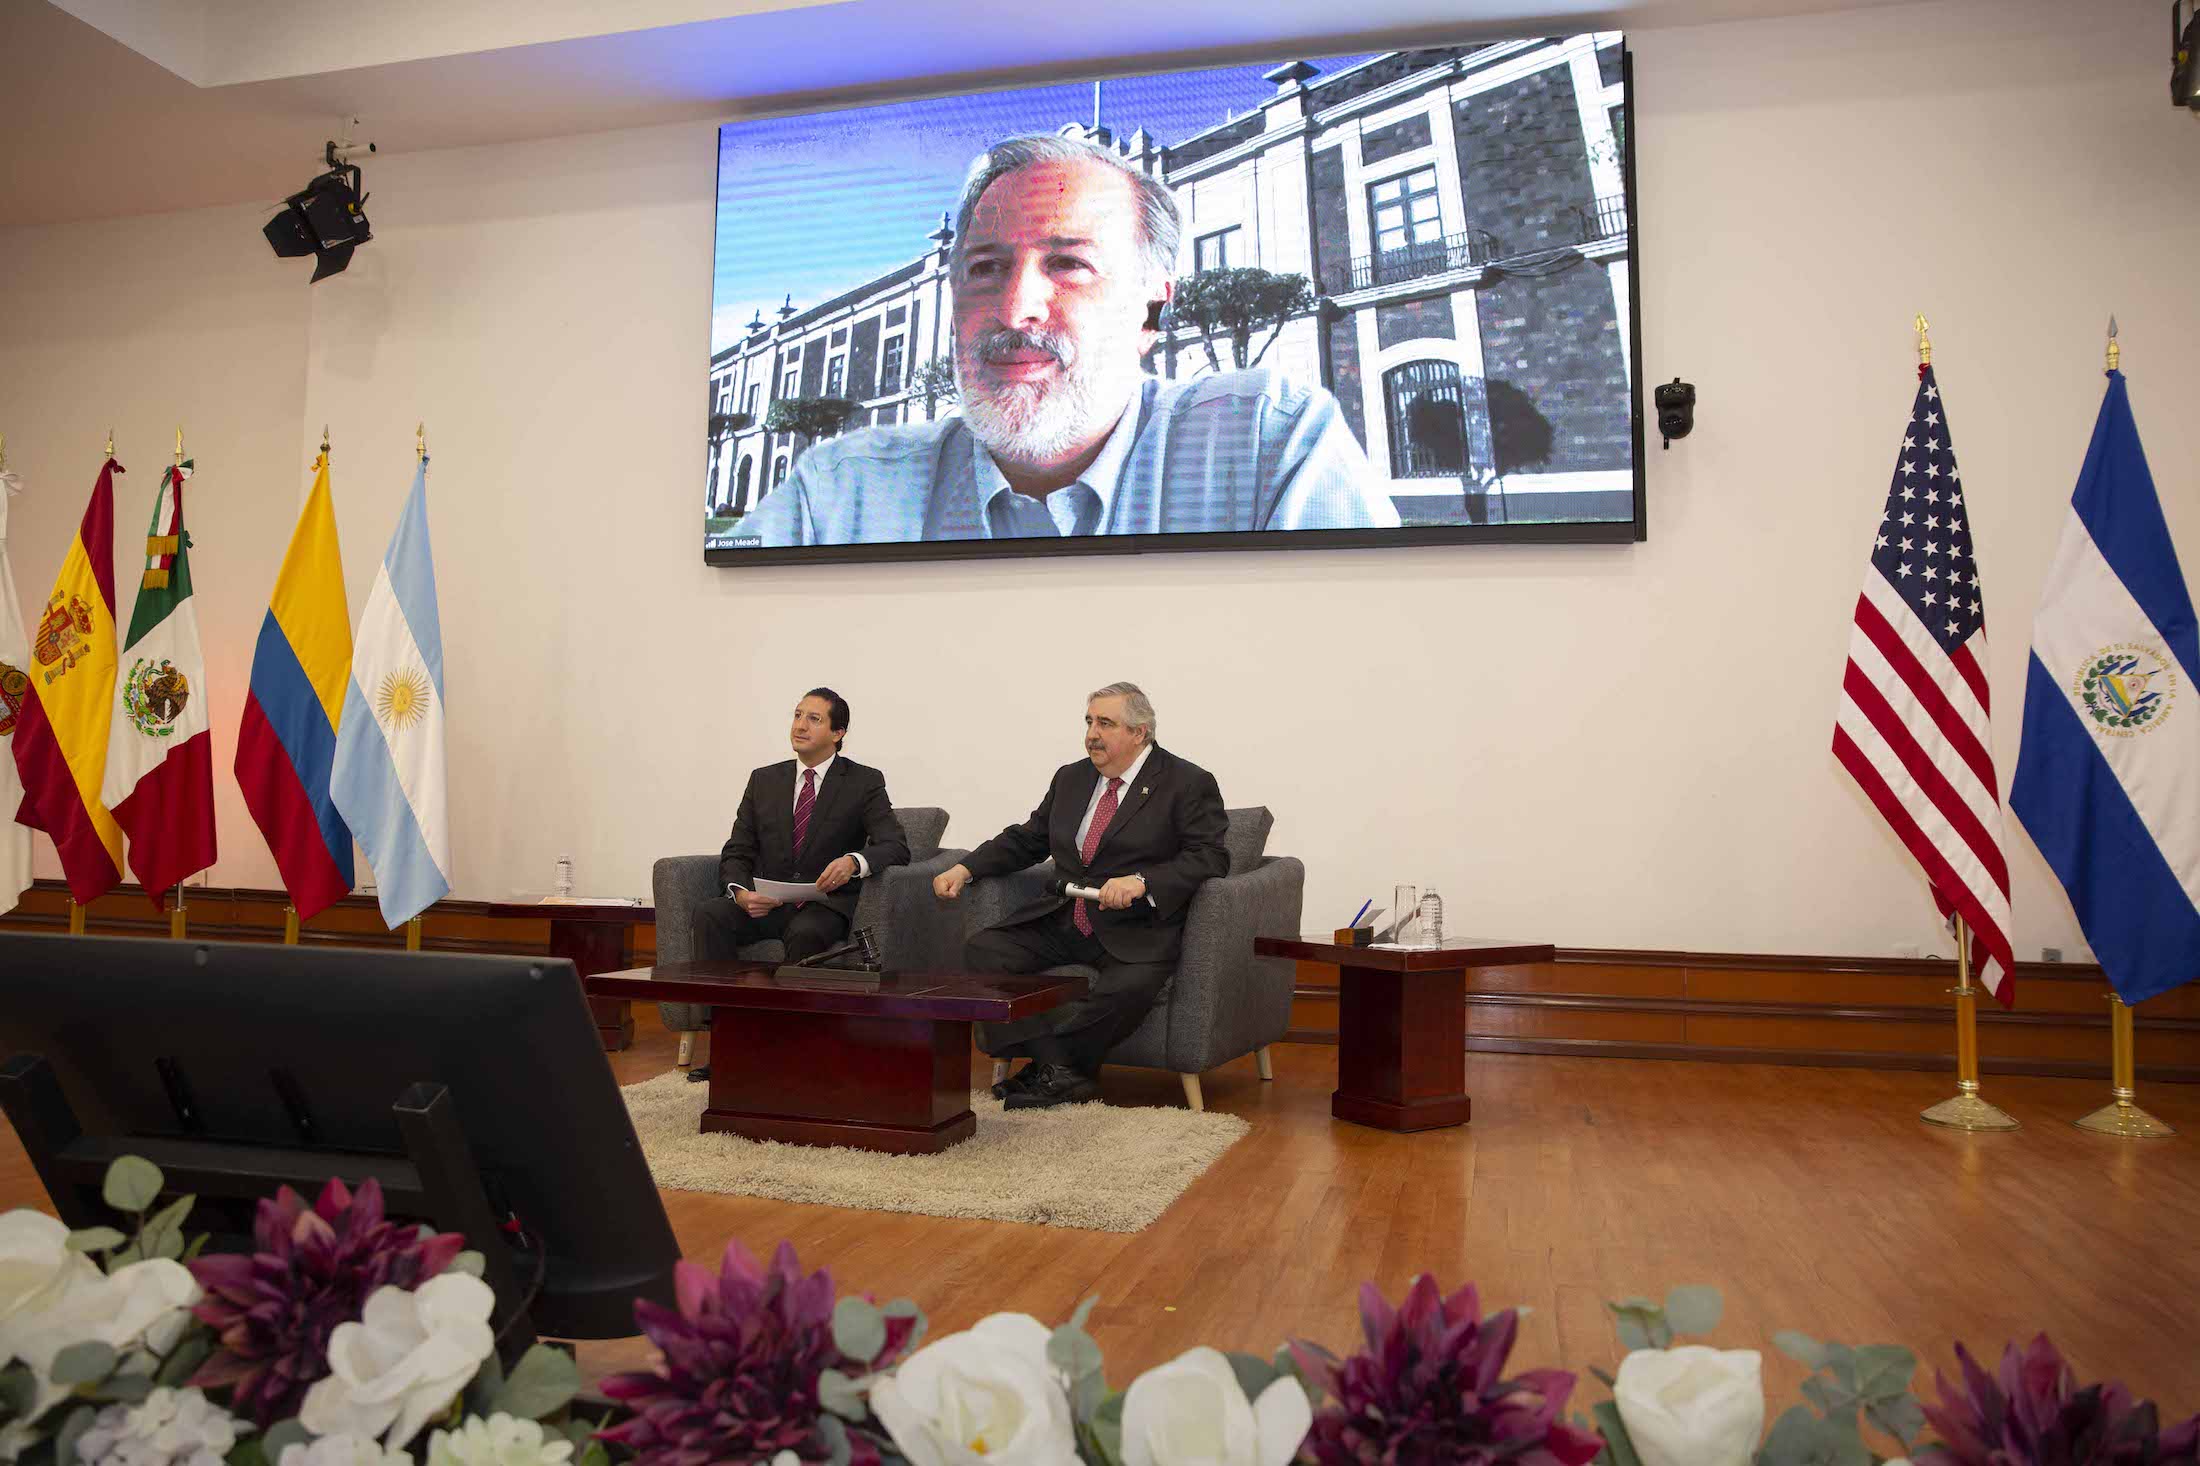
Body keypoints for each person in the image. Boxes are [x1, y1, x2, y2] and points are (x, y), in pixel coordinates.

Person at [739, 134, 1400, 547]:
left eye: (1069, 263)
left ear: (1150, 313)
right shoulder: (841, 492)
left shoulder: (1268, 445)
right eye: (985, 267)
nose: (1016, 308)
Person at [932, 681, 1227, 1109]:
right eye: (1089, 721)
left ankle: (1047, 1071)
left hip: (1138, 928)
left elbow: (1210, 857)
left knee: (1124, 992)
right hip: (1066, 916)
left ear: (1139, 732)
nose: (1091, 733)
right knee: (982, 953)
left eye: (1105, 723)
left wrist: (1143, 880)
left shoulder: (1187, 782)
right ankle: (1061, 1072)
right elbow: (1029, 838)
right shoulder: (1072, 777)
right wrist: (966, 867)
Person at [688, 688, 909, 1080]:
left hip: (823, 906)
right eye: (797, 715)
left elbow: (895, 845)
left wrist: (853, 862)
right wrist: (741, 894)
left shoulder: (863, 782)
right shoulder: (764, 780)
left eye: (814, 719)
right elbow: (737, 849)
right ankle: (727, 1041)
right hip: (767, 903)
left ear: (838, 732)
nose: (800, 725)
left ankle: (789, 1046)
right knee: (709, 915)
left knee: (805, 933)